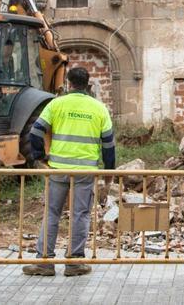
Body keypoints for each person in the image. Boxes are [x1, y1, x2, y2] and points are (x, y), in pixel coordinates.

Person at [23, 67, 115, 277]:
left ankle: (44, 262)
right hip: (85, 172)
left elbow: (35, 131)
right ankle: (74, 262)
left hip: (58, 170)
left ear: (68, 83)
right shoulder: (99, 108)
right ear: (88, 85)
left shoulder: (56, 104)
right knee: (80, 214)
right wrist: (109, 172)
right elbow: (109, 145)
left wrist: (39, 157)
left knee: (52, 213)